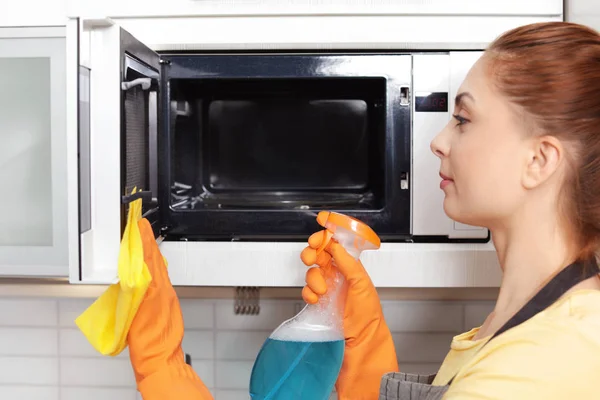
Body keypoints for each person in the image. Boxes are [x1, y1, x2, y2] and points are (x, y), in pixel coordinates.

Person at [127, 21, 600, 400]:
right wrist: (363, 343)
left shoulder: (541, 365)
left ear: (539, 161)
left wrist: (162, 368)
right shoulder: (525, 329)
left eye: (463, 119)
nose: (437, 142)